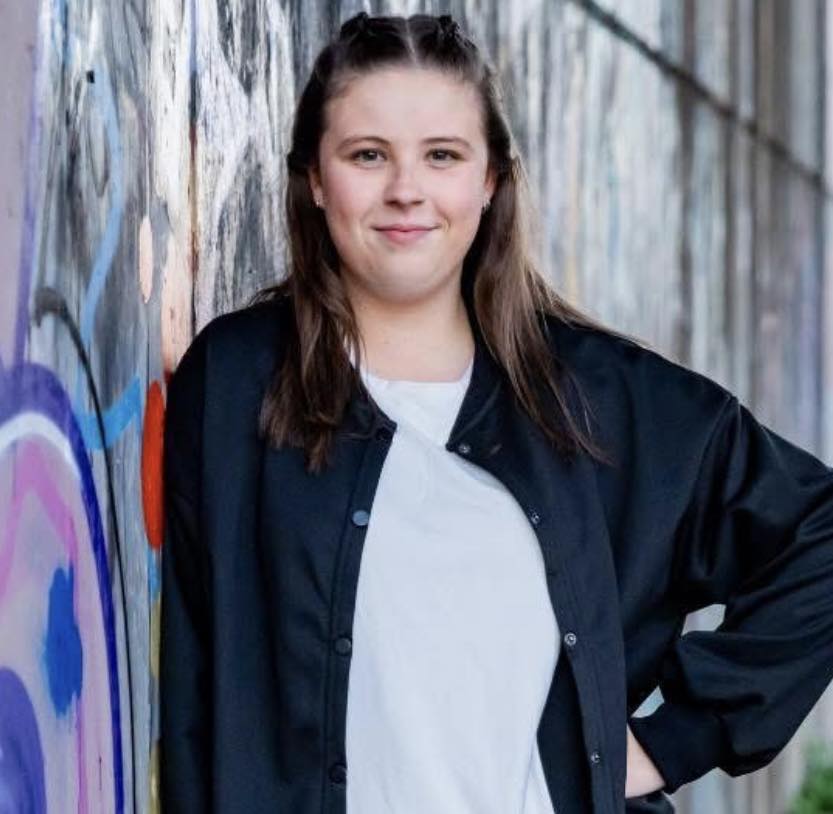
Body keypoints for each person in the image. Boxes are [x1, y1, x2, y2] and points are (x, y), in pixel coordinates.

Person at [159, 11, 833, 814]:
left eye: (441, 155)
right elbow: (196, 687)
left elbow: (818, 533)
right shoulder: (238, 382)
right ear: (313, 177)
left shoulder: (596, 404)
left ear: (489, 181)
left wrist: (672, 742)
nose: (405, 190)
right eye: (367, 154)